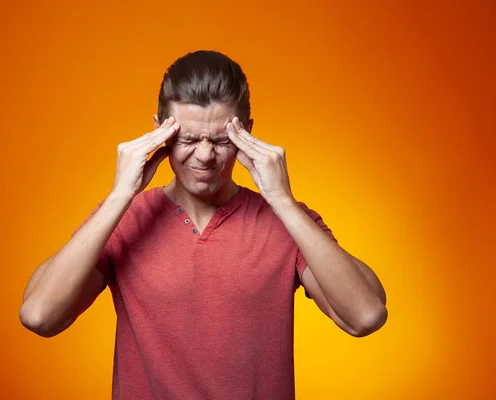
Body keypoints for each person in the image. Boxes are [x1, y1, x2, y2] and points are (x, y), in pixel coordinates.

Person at [19, 50, 387, 399]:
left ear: (247, 133)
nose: (206, 155)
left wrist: (283, 201)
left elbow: (365, 316)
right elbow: (39, 316)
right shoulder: (125, 217)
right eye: (189, 138)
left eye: (222, 140)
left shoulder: (286, 221)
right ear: (160, 131)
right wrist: (120, 194)